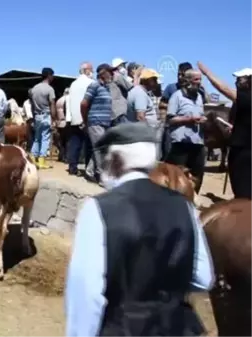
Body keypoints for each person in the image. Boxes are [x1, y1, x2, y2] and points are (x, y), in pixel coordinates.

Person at [65, 122, 214, 337]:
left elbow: (87, 294)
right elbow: (203, 278)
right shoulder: (185, 207)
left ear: (116, 160)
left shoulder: (98, 208)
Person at [198, 62, 252, 198]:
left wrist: (207, 73)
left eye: (240, 79)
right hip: (243, 147)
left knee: (243, 192)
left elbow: (224, 89)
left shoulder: (246, 98)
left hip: (243, 152)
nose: (236, 82)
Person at [165, 69, 206, 194]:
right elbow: (170, 120)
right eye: (196, 79)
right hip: (180, 143)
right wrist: (189, 119)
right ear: (187, 81)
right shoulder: (176, 96)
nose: (199, 83)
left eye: (200, 79)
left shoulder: (199, 97)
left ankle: (192, 201)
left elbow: (201, 114)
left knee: (197, 175)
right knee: (178, 176)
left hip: (197, 142)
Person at [81, 64, 114, 184]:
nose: (113, 74)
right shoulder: (94, 86)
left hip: (105, 123)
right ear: (103, 73)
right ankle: (103, 178)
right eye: (110, 72)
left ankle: (90, 172)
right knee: (102, 150)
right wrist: (86, 121)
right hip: (95, 122)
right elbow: (84, 104)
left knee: (99, 149)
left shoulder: (107, 87)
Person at [66, 62, 95, 176]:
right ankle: (88, 169)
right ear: (86, 70)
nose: (92, 72)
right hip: (86, 117)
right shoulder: (91, 83)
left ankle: (72, 168)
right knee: (88, 145)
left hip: (74, 118)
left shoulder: (73, 84)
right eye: (91, 69)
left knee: (74, 144)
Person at [127, 68, 163, 158]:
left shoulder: (139, 92)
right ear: (147, 80)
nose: (156, 82)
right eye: (154, 80)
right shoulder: (140, 94)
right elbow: (140, 116)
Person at [28, 68, 56, 169]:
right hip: (46, 115)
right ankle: (42, 161)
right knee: (45, 138)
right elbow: (52, 104)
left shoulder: (34, 88)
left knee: (37, 138)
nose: (53, 77)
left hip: (37, 116)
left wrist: (34, 115)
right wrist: (53, 118)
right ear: (49, 76)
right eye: (52, 75)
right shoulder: (49, 89)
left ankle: (32, 158)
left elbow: (31, 105)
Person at [109, 58, 134, 126]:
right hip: (120, 111)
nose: (125, 68)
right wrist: (136, 76)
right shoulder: (118, 76)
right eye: (123, 65)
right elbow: (131, 87)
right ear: (119, 66)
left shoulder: (111, 76)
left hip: (113, 112)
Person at [55, 88, 69, 162]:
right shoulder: (68, 99)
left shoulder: (59, 100)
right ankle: (66, 157)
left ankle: (61, 156)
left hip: (60, 122)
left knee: (61, 141)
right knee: (67, 141)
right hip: (66, 122)